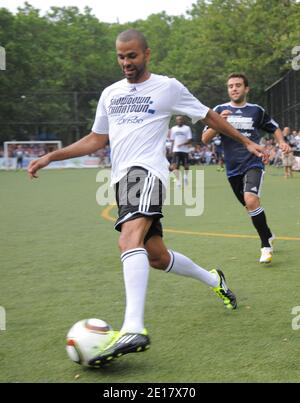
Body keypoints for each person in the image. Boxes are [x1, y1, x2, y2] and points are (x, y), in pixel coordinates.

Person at [28, 31, 265, 366]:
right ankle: (215, 279)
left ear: (147, 54)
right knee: (155, 255)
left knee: (128, 240)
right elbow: (97, 139)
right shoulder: (110, 94)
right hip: (122, 180)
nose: (127, 63)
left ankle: (133, 327)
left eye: (132, 56)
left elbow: (208, 115)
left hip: (147, 173)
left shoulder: (167, 87)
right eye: (121, 57)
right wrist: (52, 156)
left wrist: (246, 142)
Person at [202, 73, 290, 264]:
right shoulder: (219, 110)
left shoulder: (256, 110)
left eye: (238, 85)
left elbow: (273, 127)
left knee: (251, 200)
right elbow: (205, 138)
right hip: (232, 169)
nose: (234, 88)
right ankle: (268, 233)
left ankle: (266, 245)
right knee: (248, 206)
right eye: (231, 86)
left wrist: (281, 142)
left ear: (246, 89)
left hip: (254, 162)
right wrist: (218, 123)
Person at [169, 115, 193, 186]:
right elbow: (172, 140)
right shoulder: (173, 129)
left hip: (185, 150)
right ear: (176, 121)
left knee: (186, 166)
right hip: (176, 150)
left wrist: (182, 144)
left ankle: (185, 177)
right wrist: (171, 149)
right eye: (178, 120)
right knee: (175, 166)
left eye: (181, 119)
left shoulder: (187, 128)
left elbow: (190, 139)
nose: (179, 121)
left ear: (183, 120)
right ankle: (178, 181)